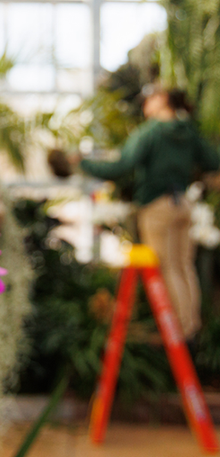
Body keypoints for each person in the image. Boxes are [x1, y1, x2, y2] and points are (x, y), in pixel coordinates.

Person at [79, 86, 220, 340]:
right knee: (184, 266)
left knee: (167, 268)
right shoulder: (189, 131)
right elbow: (213, 160)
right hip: (183, 204)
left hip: (157, 206)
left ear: (162, 100)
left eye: (148, 100)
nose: (144, 106)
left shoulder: (151, 132)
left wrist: (82, 163)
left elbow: (121, 166)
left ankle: (178, 331)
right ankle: (191, 324)